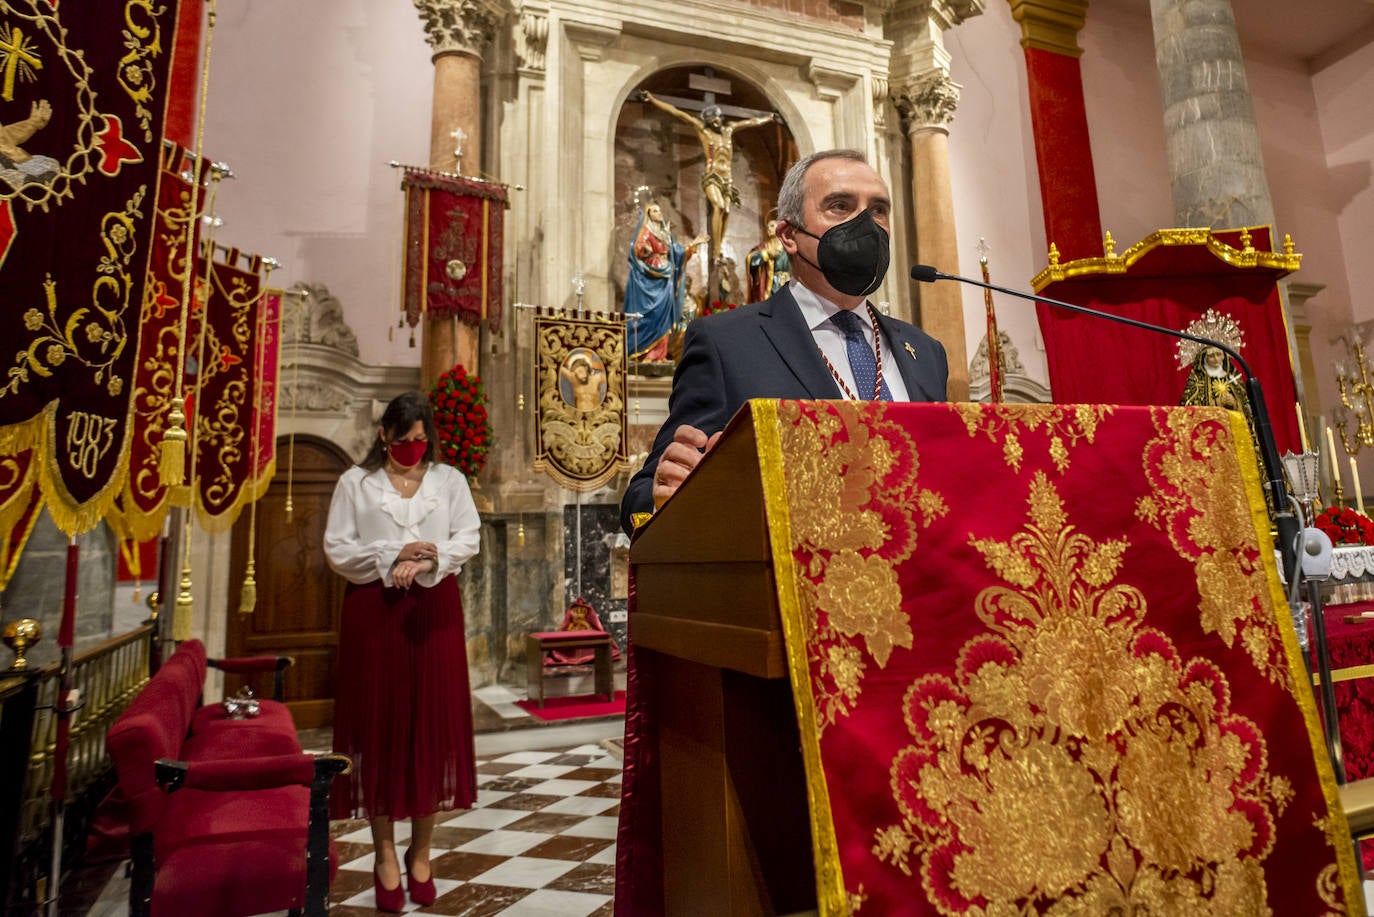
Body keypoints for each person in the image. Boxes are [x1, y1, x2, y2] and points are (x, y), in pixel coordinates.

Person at [618, 149, 949, 533]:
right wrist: (668, 497)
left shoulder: (926, 352)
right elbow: (647, 494)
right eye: (840, 206)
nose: (866, 224)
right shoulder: (726, 343)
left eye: (877, 209)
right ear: (789, 235)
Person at [323, 390, 481, 913]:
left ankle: (422, 850)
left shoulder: (449, 480)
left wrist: (430, 556)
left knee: (428, 729)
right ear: (384, 437)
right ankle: (384, 850)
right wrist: (393, 552)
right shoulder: (356, 483)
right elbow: (338, 549)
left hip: (432, 612)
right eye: (404, 440)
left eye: (421, 440)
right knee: (382, 729)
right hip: (374, 614)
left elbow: (469, 537)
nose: (414, 448)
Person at [636, 90, 780, 276]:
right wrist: (653, 99)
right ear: (708, 120)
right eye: (713, 119)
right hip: (711, 176)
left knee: (727, 210)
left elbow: (749, 122)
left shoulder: (729, 130)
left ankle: (718, 248)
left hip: (727, 179)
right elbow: (679, 113)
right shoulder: (703, 131)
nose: (717, 121)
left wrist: (768, 118)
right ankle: (715, 251)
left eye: (719, 117)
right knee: (719, 206)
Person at [625, 199, 705, 360]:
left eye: (659, 210)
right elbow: (637, 249)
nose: (659, 213)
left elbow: (678, 253)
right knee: (651, 314)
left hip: (666, 279)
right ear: (648, 215)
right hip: (650, 277)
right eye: (654, 211)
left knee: (664, 316)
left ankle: (659, 355)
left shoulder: (666, 235)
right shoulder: (647, 231)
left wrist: (692, 245)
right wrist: (645, 249)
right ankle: (645, 354)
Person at [746, 219, 791, 302]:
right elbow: (751, 259)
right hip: (769, 285)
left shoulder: (787, 245)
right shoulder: (764, 247)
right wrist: (766, 254)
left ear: (779, 228)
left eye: (772, 226)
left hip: (787, 283)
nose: (769, 229)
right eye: (767, 227)